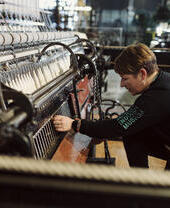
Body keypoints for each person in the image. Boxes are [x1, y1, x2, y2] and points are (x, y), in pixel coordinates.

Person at [53, 43, 170, 169]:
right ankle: (140, 181)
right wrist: (102, 131)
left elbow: (119, 126)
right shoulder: (162, 82)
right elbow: (128, 122)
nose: (121, 84)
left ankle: (141, 185)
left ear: (142, 74)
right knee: (133, 132)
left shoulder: (156, 98)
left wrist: (74, 124)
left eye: (125, 78)